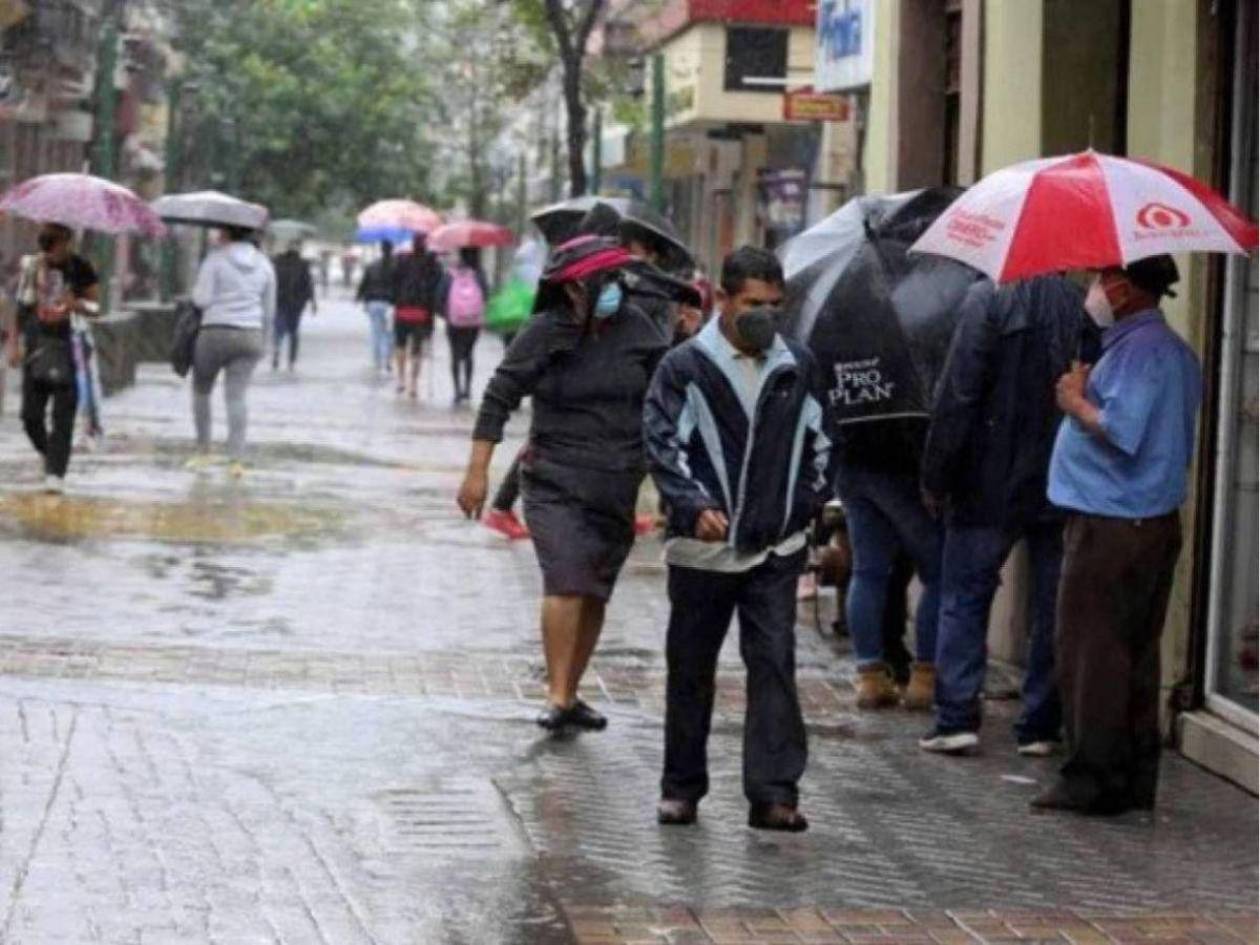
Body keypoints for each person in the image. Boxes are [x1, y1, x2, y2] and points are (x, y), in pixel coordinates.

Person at [644, 246, 831, 833]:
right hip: (702, 552)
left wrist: (797, 513)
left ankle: (774, 793)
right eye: (753, 304)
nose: (764, 316)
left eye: (775, 306)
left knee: (774, 663)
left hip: (774, 551)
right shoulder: (684, 367)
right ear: (723, 300)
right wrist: (694, 505)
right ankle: (681, 788)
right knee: (691, 666)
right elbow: (663, 445)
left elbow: (823, 449)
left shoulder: (797, 366)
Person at [457, 235, 667, 732]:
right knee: (567, 579)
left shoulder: (638, 329)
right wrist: (477, 471)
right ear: (574, 289)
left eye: (618, 279)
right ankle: (555, 693)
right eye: (603, 281)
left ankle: (571, 694)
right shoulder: (544, 332)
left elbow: (667, 396)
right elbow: (498, 397)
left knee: (594, 590)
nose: (614, 289)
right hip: (555, 478)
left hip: (617, 480)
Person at [1034, 255, 1200, 815]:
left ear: (1126, 289)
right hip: (1144, 520)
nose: (1094, 288)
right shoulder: (1165, 348)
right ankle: (1130, 775)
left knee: (1092, 653)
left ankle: (1091, 778)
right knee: (1133, 652)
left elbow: (1122, 430)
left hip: (1113, 522)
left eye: (1102, 279)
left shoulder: (1142, 351)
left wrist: (1076, 401)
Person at [918, 275, 1094, 755]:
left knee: (965, 596)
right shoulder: (1082, 305)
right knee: (1052, 602)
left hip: (986, 479)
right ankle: (1040, 724)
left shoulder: (986, 299)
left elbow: (959, 392)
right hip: (1060, 479)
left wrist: (936, 475)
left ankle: (956, 716)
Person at [834, 418, 942, 711]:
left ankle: (870, 677)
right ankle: (925, 678)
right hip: (903, 462)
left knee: (868, 572)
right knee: (938, 574)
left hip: (850, 461)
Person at [9, 224, 99, 493]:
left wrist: (77, 305)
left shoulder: (81, 267)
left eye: (66, 244)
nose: (62, 250)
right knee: (30, 416)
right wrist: (14, 344)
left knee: (64, 415)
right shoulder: (32, 268)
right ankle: (50, 455)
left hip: (69, 346)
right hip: (37, 347)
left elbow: (96, 306)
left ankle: (56, 473)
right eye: (57, 245)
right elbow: (20, 308)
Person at [188, 225, 276, 476]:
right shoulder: (264, 265)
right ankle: (236, 460)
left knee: (201, 391)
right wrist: (265, 343)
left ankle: (203, 453)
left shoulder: (215, 260)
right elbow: (269, 310)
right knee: (236, 396)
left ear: (227, 234)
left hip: (214, 332)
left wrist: (196, 292)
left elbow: (202, 300)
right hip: (250, 335)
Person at [391, 233, 444, 398]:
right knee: (417, 349)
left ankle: (401, 380)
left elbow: (393, 282)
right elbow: (438, 287)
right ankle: (413, 384)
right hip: (422, 313)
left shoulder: (402, 260)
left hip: (402, 310)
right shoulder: (432, 263)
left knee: (400, 346)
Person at [440, 246, 489, 405]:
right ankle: (468, 388)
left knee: (454, 354)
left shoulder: (450, 274)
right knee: (468, 354)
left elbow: (440, 296)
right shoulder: (479, 274)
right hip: (473, 322)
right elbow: (486, 295)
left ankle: (457, 391)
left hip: (453, 321)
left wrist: (445, 314)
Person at [271, 241, 316, 370]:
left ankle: (278, 351)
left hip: (281, 301)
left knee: (279, 328)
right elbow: (309, 284)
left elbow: (271, 282)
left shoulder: (278, 262)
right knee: (293, 331)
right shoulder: (302, 264)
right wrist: (312, 302)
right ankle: (291, 360)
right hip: (295, 303)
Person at [356, 241, 395, 375]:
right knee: (389, 334)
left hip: (373, 302)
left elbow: (363, 284)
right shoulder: (397, 266)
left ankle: (377, 362)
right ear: (392, 249)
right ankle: (387, 361)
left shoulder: (372, 265)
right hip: (390, 304)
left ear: (381, 250)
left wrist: (359, 298)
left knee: (376, 333)